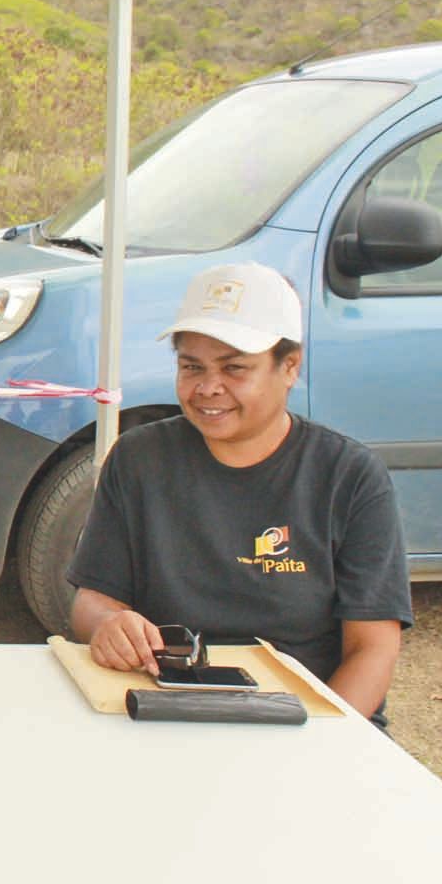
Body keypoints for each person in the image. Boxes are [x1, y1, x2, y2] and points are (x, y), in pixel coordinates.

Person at [66, 262, 412, 723]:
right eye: (192, 367)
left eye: (234, 368)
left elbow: (373, 648)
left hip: (309, 719)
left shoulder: (348, 476)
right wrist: (108, 624)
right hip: (169, 707)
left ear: (289, 367)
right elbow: (92, 600)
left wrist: (322, 738)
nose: (208, 388)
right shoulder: (138, 458)